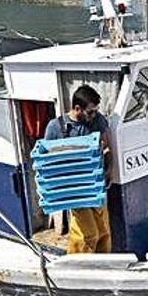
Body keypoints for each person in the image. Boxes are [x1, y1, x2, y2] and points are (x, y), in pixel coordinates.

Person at [43, 85, 111, 254]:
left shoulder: (97, 120)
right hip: (75, 189)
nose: (94, 115)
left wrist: (109, 172)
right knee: (88, 234)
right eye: (90, 112)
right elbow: (46, 158)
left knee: (103, 232)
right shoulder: (55, 127)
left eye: (95, 111)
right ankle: (80, 265)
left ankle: (105, 264)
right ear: (77, 108)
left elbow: (106, 148)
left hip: (95, 186)